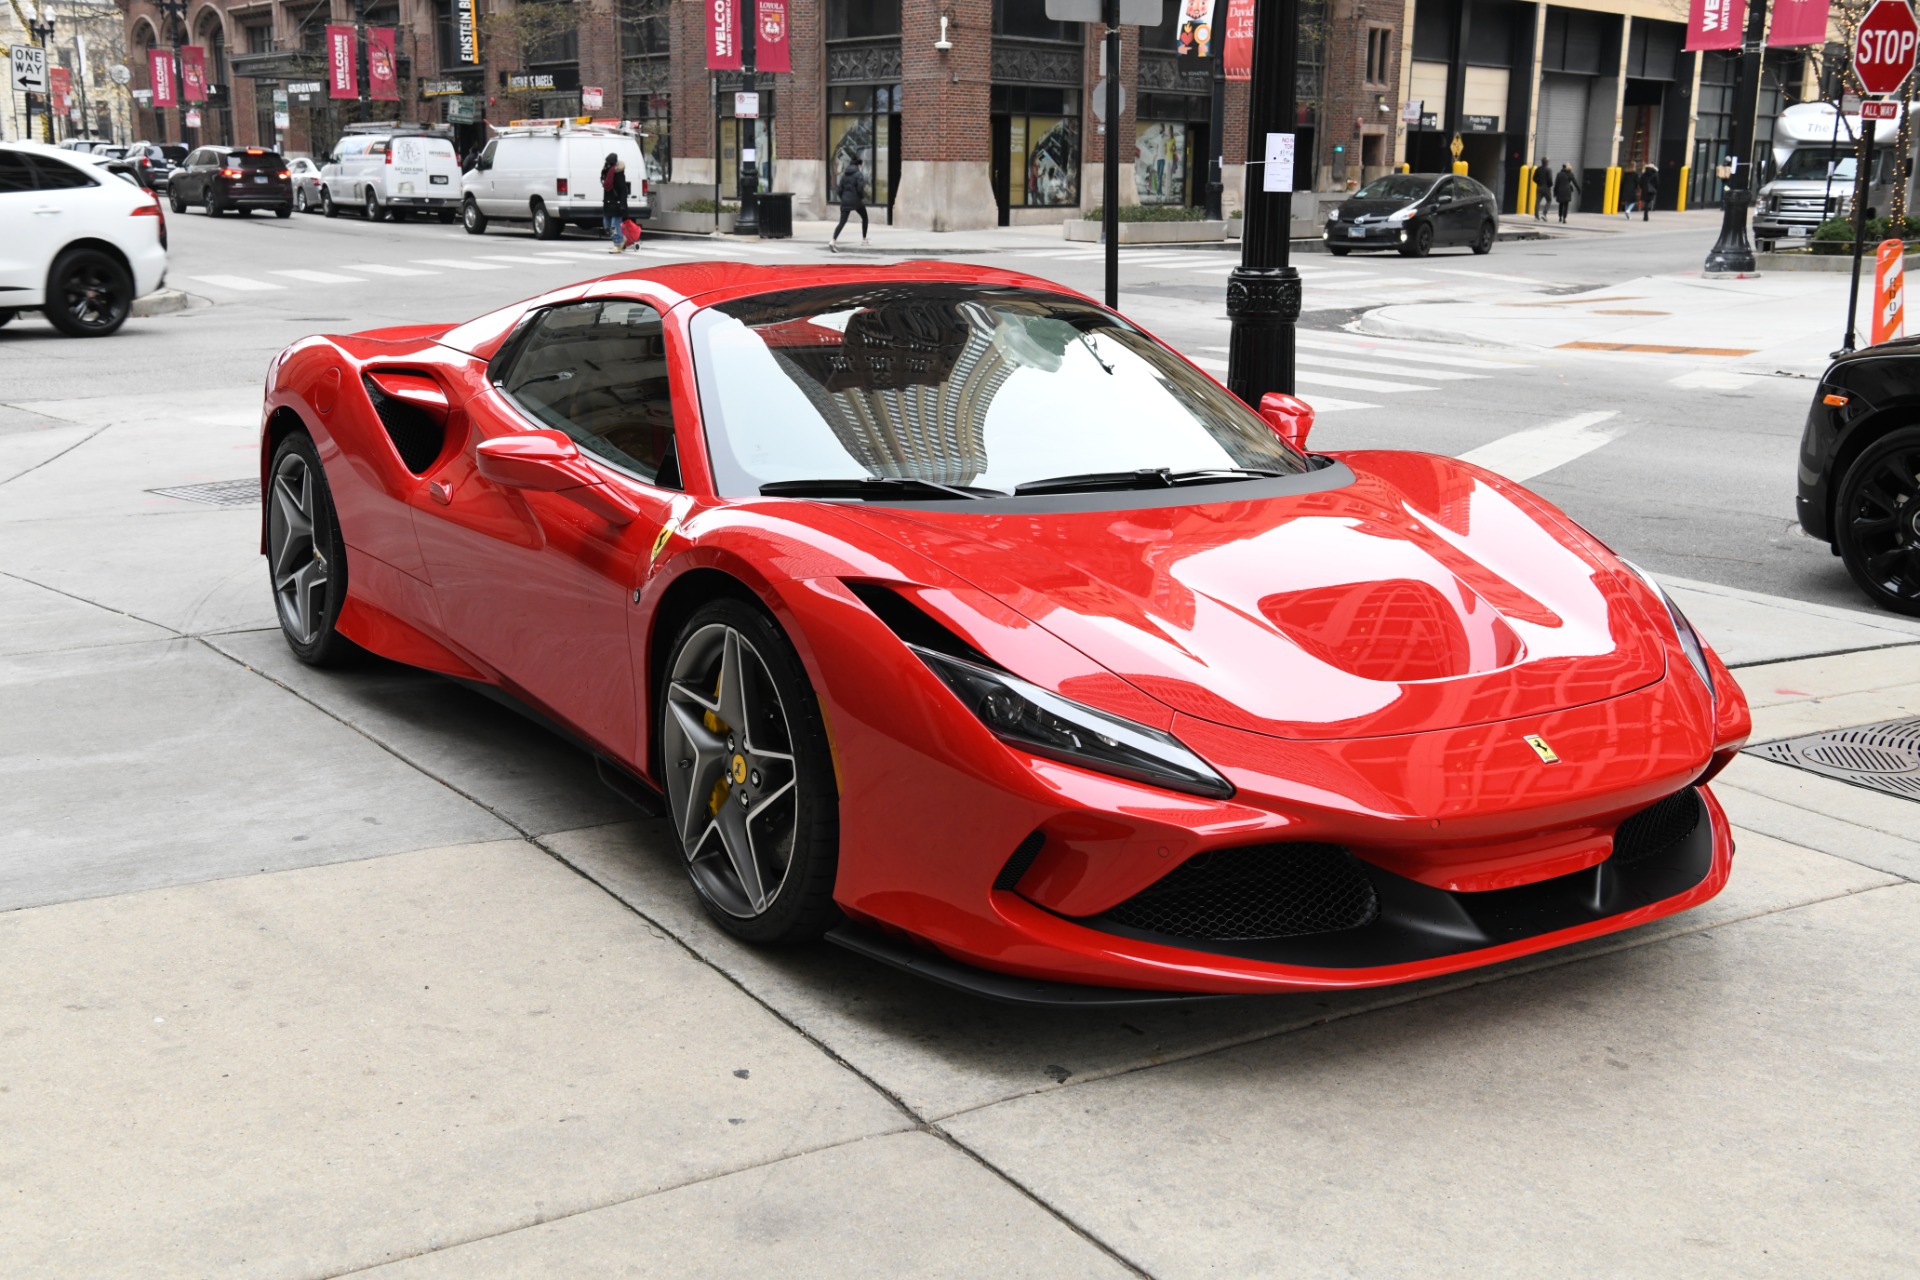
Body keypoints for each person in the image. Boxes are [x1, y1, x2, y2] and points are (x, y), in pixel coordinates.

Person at [829, 155, 869, 252]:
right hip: (856, 201)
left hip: (845, 200)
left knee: (842, 222)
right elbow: (860, 189)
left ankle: (833, 240)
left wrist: (843, 198)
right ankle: (864, 239)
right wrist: (862, 197)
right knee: (865, 217)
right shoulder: (859, 174)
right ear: (858, 165)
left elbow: (839, 190)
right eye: (861, 165)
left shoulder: (844, 174)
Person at [600, 154, 630, 253]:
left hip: (617, 205)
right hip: (608, 204)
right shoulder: (607, 174)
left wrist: (622, 204)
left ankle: (618, 244)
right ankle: (621, 239)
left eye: (608, 163)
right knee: (607, 226)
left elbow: (623, 191)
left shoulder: (618, 175)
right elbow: (606, 189)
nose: (607, 165)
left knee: (614, 226)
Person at [1533, 157, 1552, 221]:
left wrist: (1538, 182)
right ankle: (1544, 214)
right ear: (1547, 162)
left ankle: (1536, 216)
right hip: (1546, 188)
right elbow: (1550, 179)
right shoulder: (1548, 169)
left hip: (1539, 187)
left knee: (1537, 202)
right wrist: (1550, 185)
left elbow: (1534, 178)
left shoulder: (1538, 169)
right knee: (1549, 200)